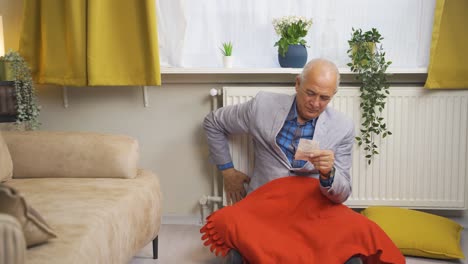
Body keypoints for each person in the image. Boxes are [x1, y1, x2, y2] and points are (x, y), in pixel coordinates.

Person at [203, 58, 359, 263]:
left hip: (312, 209)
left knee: (352, 246)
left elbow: (343, 192)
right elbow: (213, 122)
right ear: (297, 84)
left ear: (333, 96)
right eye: (310, 93)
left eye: (324, 98)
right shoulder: (263, 106)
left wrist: (329, 174)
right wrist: (228, 171)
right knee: (236, 237)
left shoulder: (343, 127)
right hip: (265, 205)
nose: (315, 103)